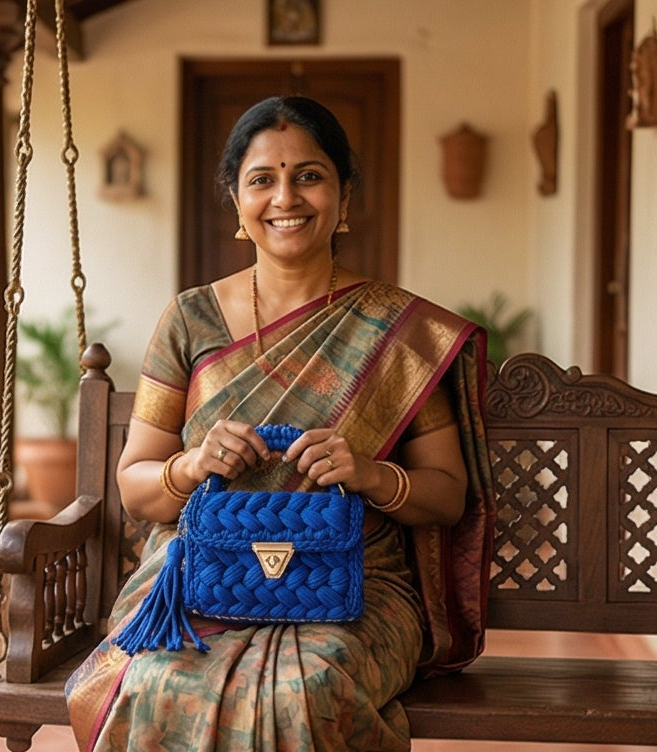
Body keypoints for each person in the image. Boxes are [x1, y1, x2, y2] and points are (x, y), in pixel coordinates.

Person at [66, 96, 495, 751]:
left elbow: (448, 494)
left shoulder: (395, 332)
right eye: (262, 179)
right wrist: (192, 464)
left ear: (345, 196)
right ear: (236, 202)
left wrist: (373, 475)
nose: (285, 197)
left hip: (351, 580)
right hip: (199, 576)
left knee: (306, 690)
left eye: (310, 176)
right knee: (151, 678)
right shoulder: (190, 320)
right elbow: (136, 487)